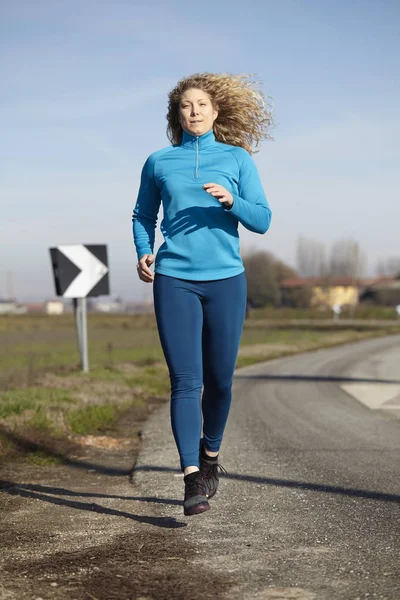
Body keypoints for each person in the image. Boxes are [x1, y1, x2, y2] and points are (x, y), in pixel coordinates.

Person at [132, 72, 272, 516]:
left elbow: (263, 219)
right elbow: (141, 215)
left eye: (201, 105)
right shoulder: (158, 162)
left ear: (216, 112)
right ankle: (191, 478)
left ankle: (211, 455)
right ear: (178, 114)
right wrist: (144, 251)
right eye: (185, 106)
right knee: (185, 381)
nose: (193, 112)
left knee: (221, 382)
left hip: (227, 280)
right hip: (174, 278)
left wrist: (232, 200)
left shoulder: (237, 159)